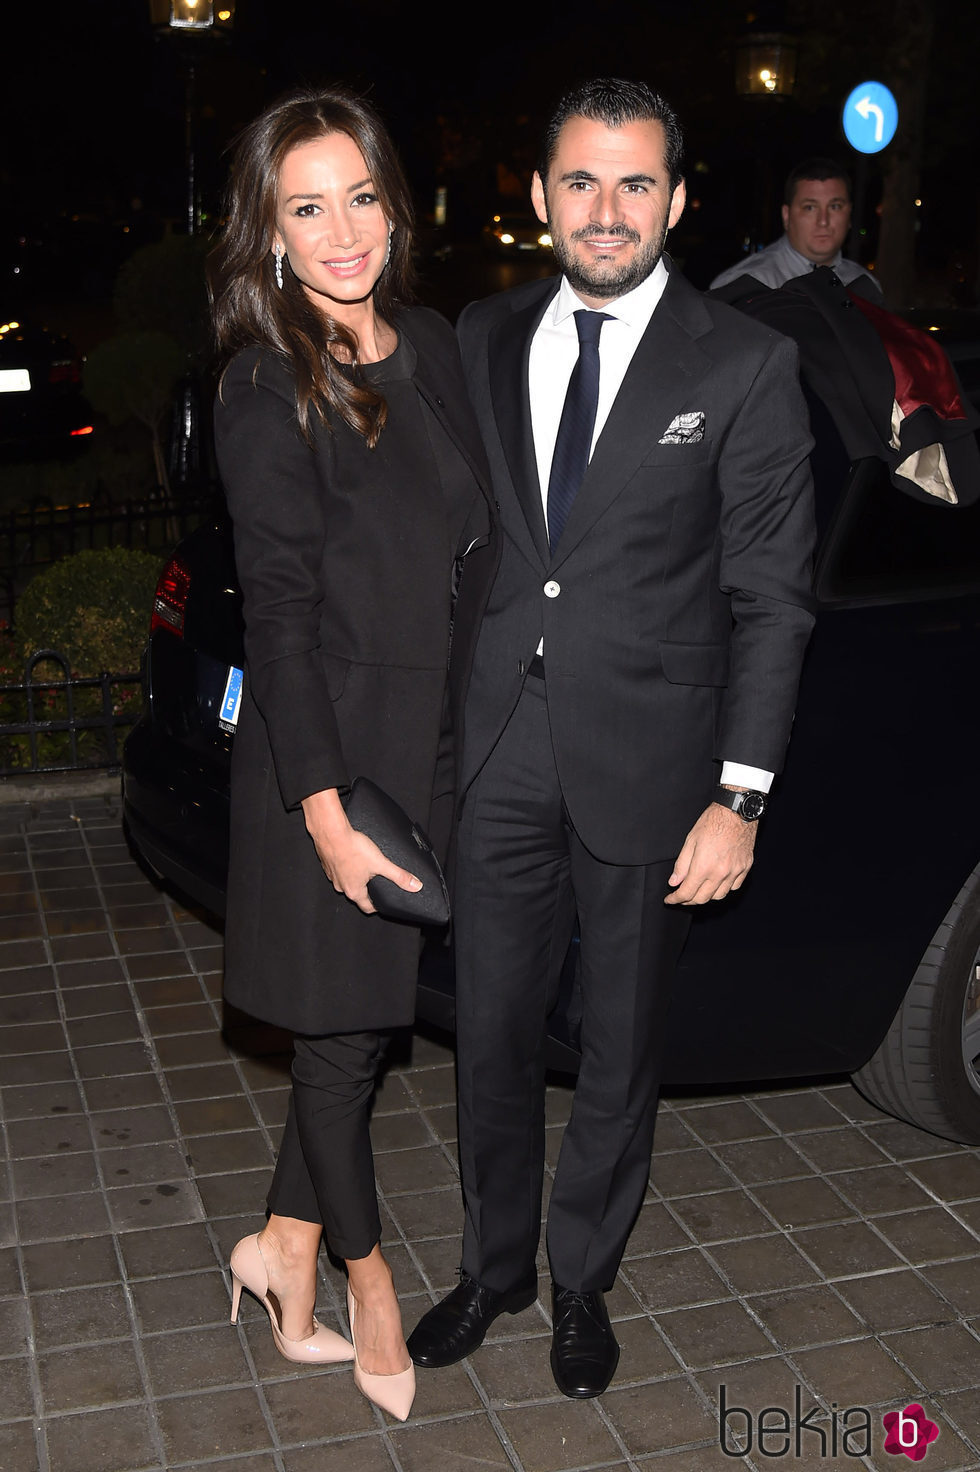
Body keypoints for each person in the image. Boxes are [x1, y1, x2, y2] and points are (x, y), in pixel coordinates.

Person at [407, 78, 816, 1399]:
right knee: (491, 1029)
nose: (607, 210)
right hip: (499, 750)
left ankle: (583, 1282)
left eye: (636, 183)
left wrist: (739, 799)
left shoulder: (743, 362)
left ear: (680, 201)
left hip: (654, 760)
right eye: (581, 181)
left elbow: (771, 595)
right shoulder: (481, 333)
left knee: (622, 1044)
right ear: (538, 198)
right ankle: (495, 1264)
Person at [208, 86, 496, 1422]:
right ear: (268, 231)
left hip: (424, 744)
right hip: (326, 764)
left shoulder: (429, 341)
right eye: (306, 207)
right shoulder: (265, 382)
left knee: (358, 1031)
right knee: (345, 1037)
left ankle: (278, 1245)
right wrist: (324, 815)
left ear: (395, 200)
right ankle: (363, 1281)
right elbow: (281, 610)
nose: (341, 233)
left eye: (360, 197)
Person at [710, 158, 881, 292]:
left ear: (849, 214)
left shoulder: (865, 285)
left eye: (835, 206)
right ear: (786, 215)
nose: (823, 220)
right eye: (810, 208)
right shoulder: (746, 284)